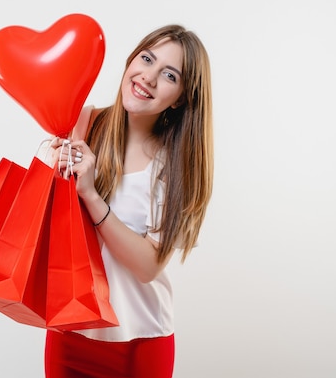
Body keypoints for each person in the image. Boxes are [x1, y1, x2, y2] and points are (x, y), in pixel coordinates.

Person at [46, 24, 213, 378]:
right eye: (147, 58)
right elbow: (47, 225)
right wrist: (50, 168)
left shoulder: (176, 165)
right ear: (131, 60)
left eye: (169, 74)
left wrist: (91, 194)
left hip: (139, 345)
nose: (148, 78)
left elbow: (147, 266)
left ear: (181, 97)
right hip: (68, 335)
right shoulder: (81, 124)